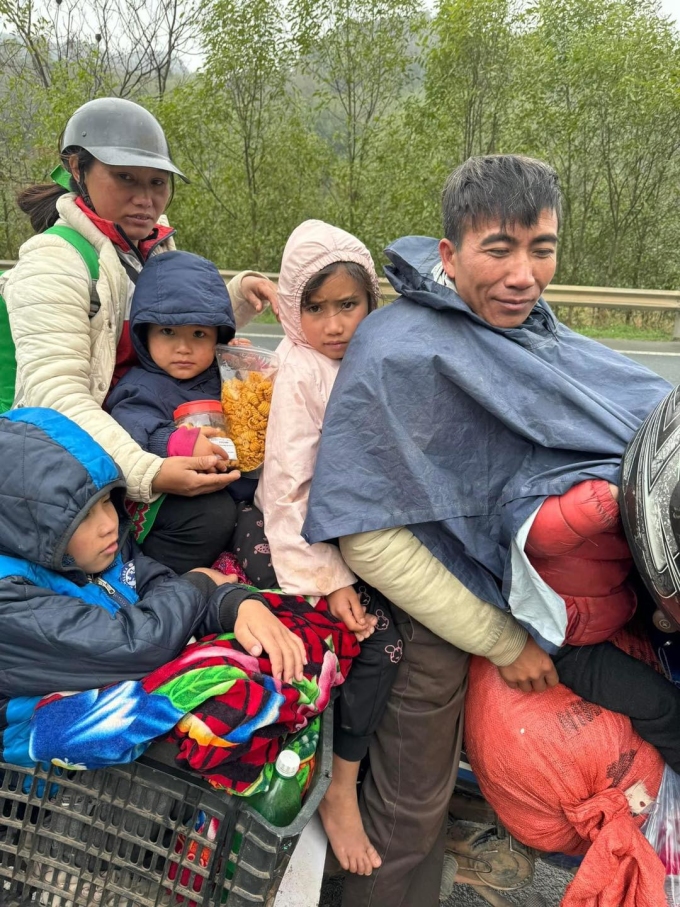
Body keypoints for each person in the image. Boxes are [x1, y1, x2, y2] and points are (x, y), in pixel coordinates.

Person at [302, 155, 675, 907]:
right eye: (498, 248)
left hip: (568, 585)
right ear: (449, 255)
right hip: (442, 600)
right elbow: (370, 535)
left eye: (541, 247)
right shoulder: (399, 351)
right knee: (412, 809)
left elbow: (627, 412)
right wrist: (502, 639)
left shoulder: (533, 329)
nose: (524, 273)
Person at [2, 97, 277, 568]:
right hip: (71, 452)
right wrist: (150, 472)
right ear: (77, 168)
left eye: (157, 182)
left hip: (147, 422)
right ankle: (146, 591)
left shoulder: (147, 246)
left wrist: (235, 300)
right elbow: (56, 396)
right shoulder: (54, 263)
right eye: (125, 178)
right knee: (206, 515)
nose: (144, 198)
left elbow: (167, 322)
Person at [0, 407, 306, 747]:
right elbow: (135, 647)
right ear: (29, 529)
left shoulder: (99, 551)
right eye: (83, 516)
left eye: (106, 501)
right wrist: (200, 583)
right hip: (53, 781)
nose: (108, 523)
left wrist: (235, 605)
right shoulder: (10, 599)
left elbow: (163, 589)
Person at [254, 220, 401, 876]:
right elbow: (287, 486)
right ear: (291, 309)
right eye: (316, 308)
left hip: (335, 530)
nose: (336, 323)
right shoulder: (303, 372)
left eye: (350, 304)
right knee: (375, 642)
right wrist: (331, 579)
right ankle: (338, 788)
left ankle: (341, 778)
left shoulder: (362, 360)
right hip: (287, 535)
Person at [105, 249, 261, 571]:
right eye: (168, 332)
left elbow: (254, 414)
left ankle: (231, 566)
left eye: (199, 334)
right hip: (170, 503)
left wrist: (244, 369)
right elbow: (130, 426)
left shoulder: (222, 374)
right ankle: (163, 579)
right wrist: (175, 442)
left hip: (238, 490)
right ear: (143, 332)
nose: (184, 348)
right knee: (214, 516)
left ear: (220, 334)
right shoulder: (141, 385)